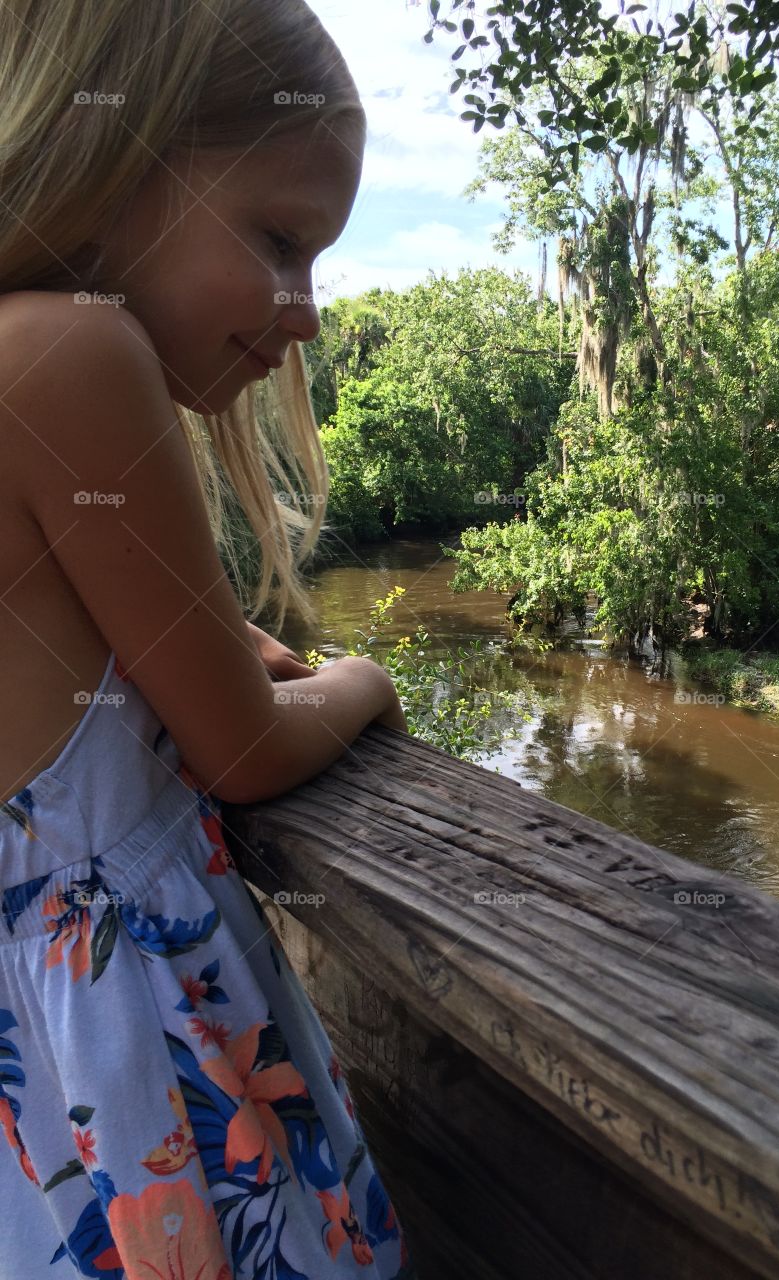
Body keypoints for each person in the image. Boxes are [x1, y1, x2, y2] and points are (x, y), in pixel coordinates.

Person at [0, 1, 414, 1275]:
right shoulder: (72, 346)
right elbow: (241, 746)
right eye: (280, 239)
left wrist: (204, 638)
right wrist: (362, 678)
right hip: (141, 1068)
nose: (304, 312)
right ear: (117, 153)